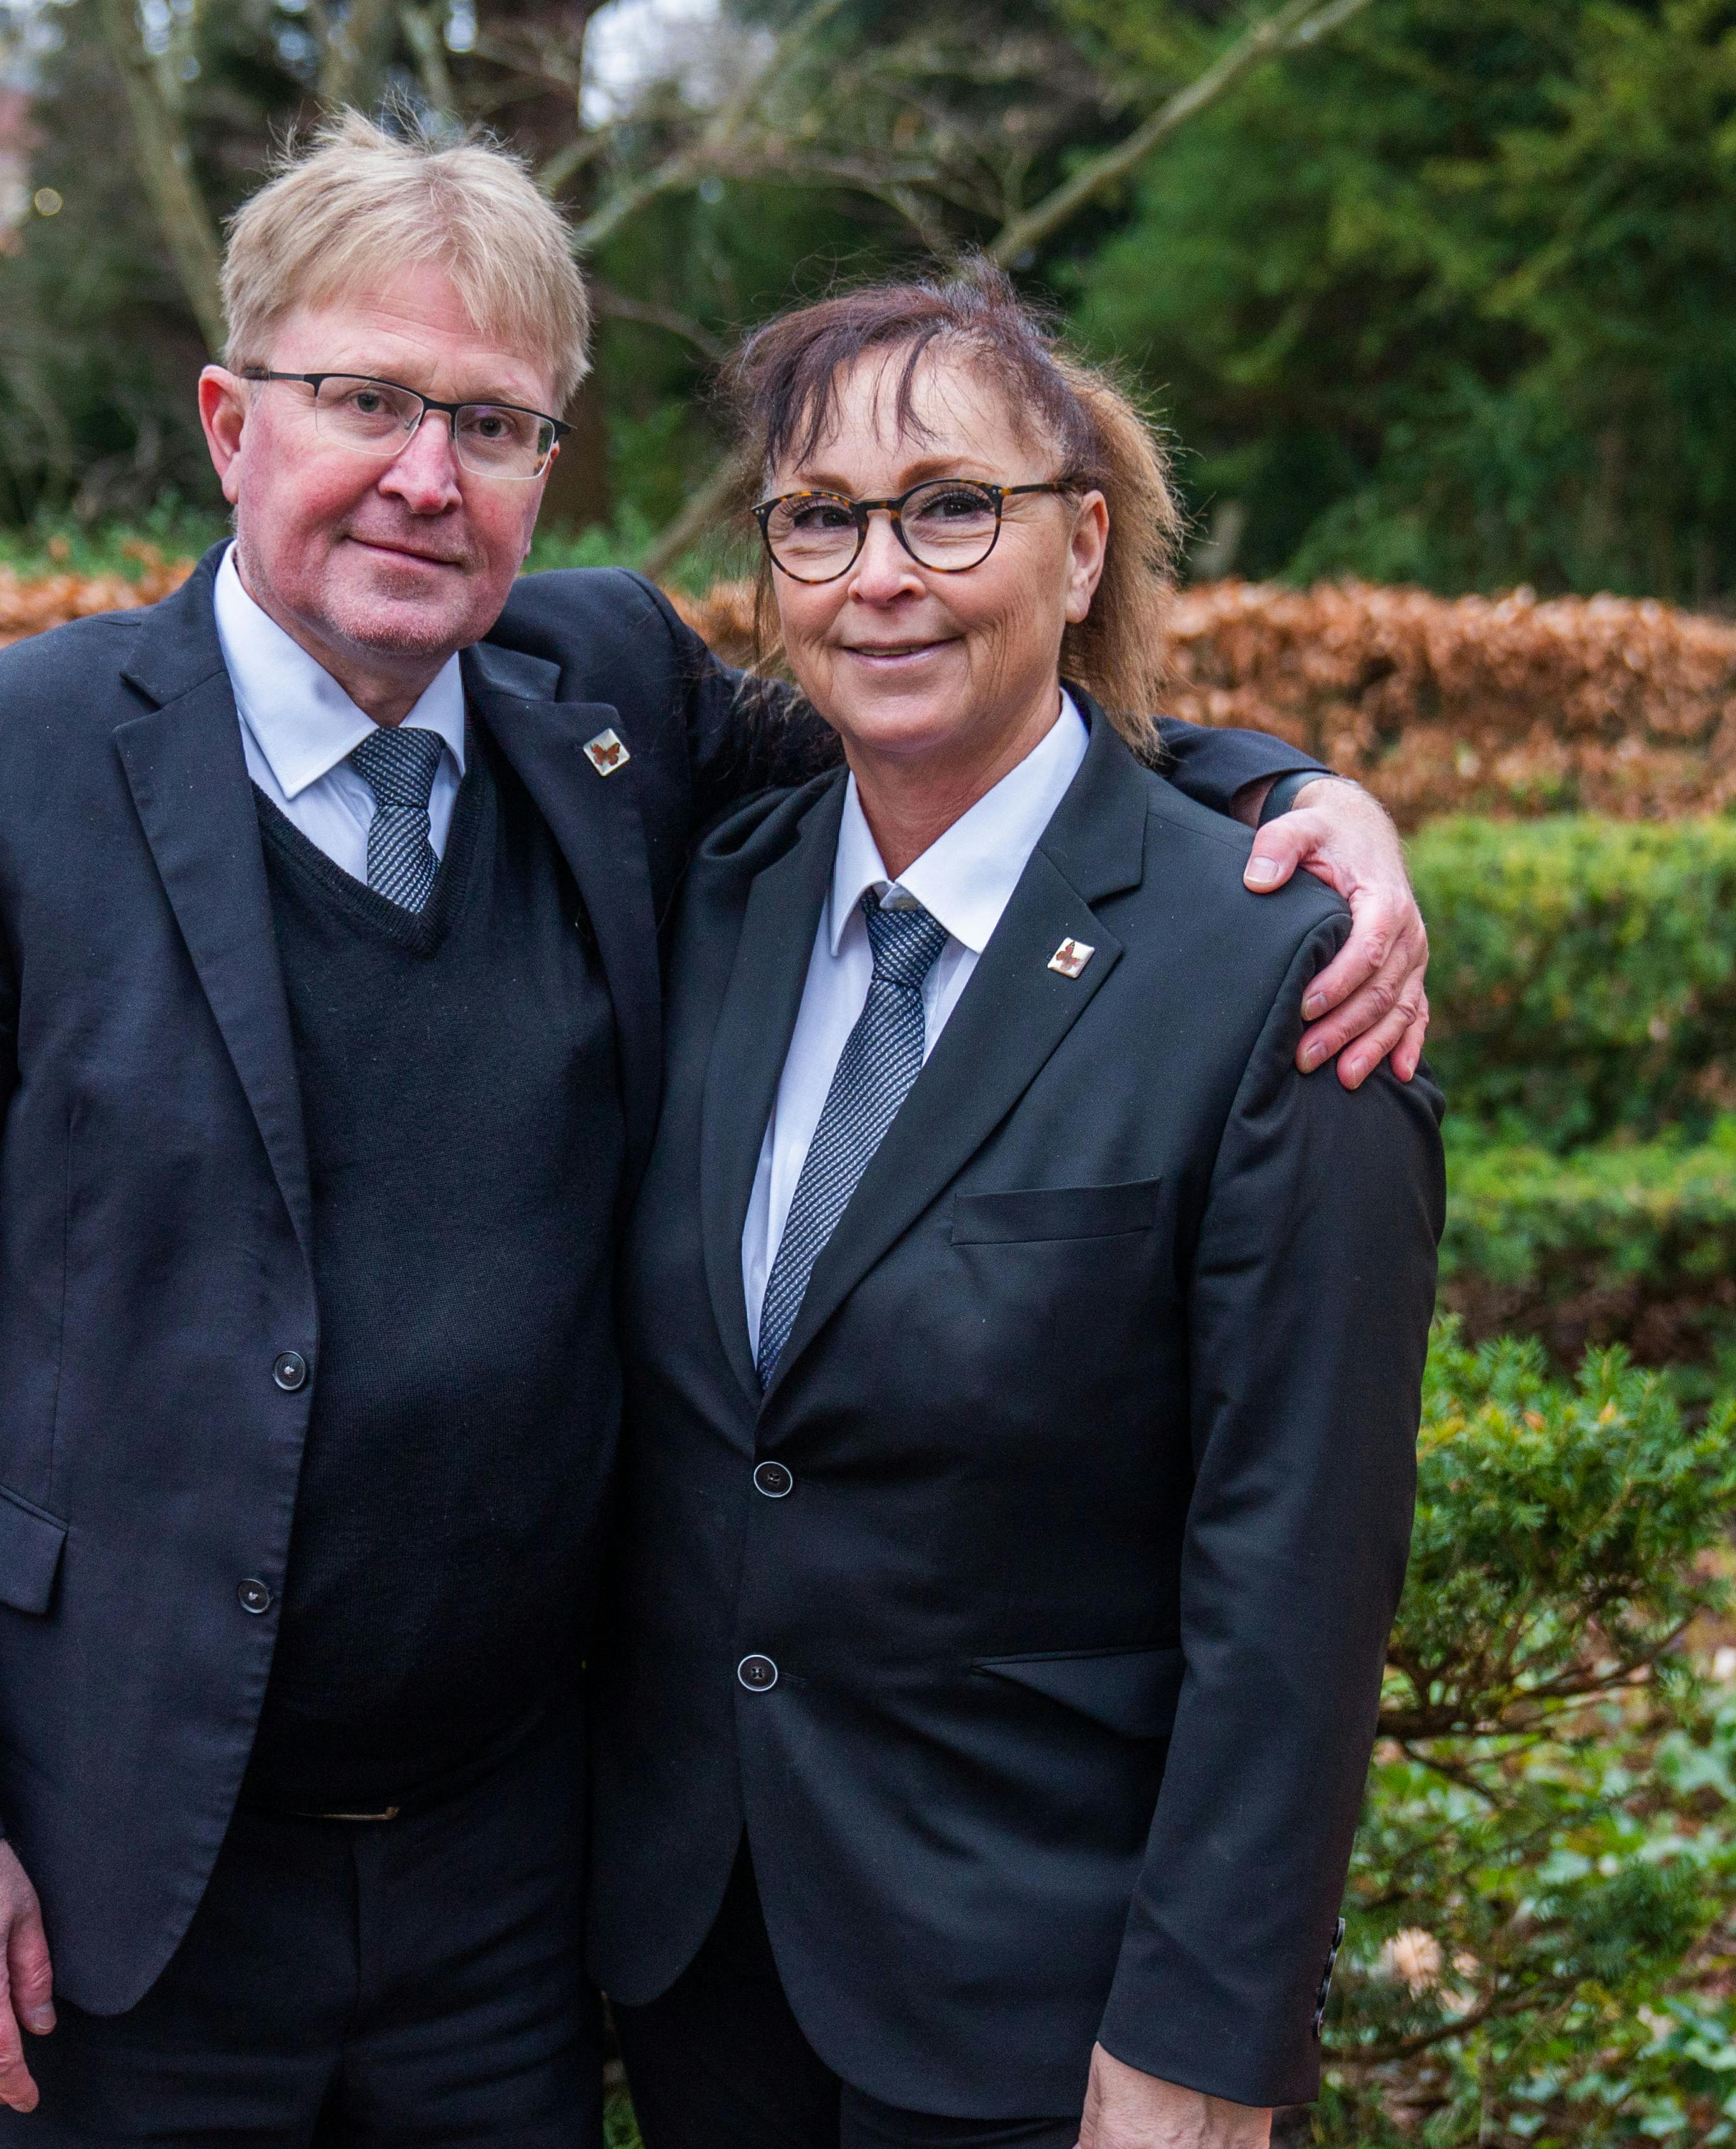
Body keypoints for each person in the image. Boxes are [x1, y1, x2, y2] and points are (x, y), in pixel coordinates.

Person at [0, 117, 1428, 2149]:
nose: (423, 475)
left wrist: (1285, 796)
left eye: (493, 421)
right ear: (228, 420)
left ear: (554, 462)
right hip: (123, 1884)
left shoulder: (606, 707)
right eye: (363, 399)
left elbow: (955, 714)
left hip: (511, 1906)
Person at [590, 272, 1444, 2149]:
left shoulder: (1271, 982)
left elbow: (1296, 1572)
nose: (879, 572)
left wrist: (1206, 2043)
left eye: (952, 505)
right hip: (701, 1975)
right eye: (819, 519)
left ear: (1081, 548)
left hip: (1048, 2017)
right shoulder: (707, 901)